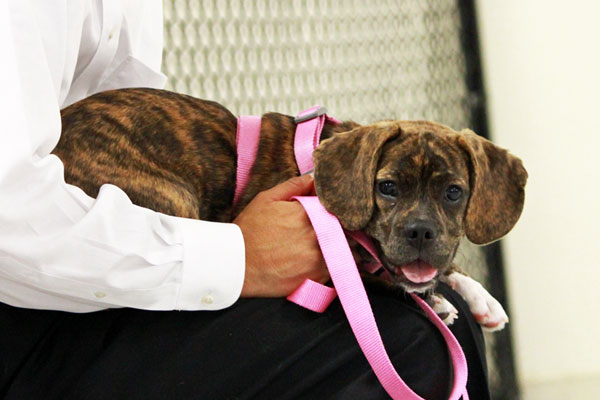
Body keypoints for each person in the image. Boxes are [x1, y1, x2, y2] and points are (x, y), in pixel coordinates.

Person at [0, 1, 491, 399]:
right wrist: (239, 255)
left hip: (110, 274)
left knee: (450, 327)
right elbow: (12, 214)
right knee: (410, 346)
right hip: (32, 312)